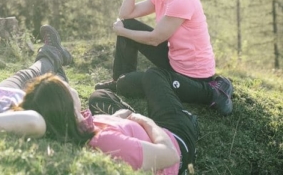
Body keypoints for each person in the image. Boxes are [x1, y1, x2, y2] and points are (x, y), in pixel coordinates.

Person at [94, 0, 234, 115]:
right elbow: (126, 14)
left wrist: (122, 32)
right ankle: (118, 81)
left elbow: (155, 39)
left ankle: (213, 92)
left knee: (134, 77)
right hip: (174, 61)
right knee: (128, 24)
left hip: (193, 76)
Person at [18, 67, 199, 174]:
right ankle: (213, 92)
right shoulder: (107, 141)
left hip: (139, 129)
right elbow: (170, 155)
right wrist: (148, 122)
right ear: (66, 104)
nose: (69, 85)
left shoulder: (77, 127)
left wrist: (117, 119)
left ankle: (124, 89)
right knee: (154, 75)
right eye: (65, 86)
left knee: (98, 96)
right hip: (177, 138)